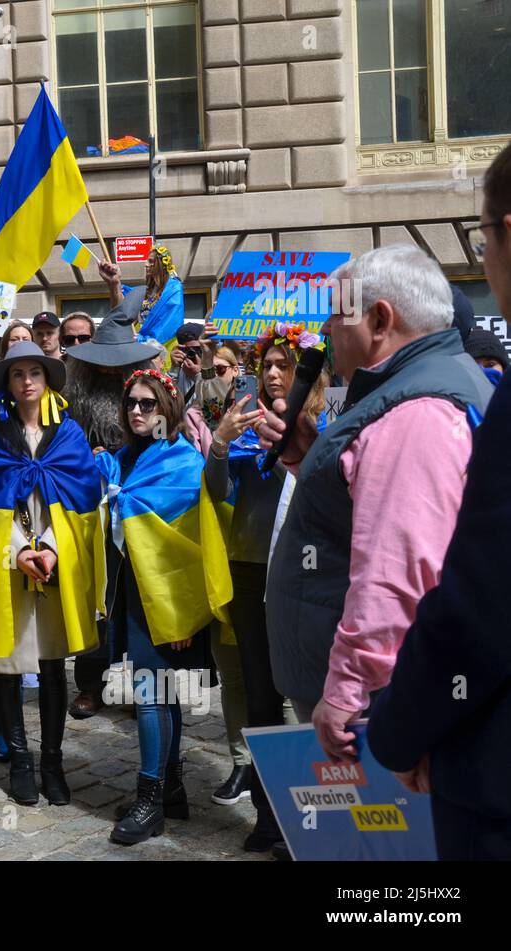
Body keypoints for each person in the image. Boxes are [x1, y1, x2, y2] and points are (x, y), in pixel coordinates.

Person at [258, 245, 493, 757]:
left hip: (373, 699)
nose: (326, 330)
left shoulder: (414, 412)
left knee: (373, 838)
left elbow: (398, 571)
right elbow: (363, 510)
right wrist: (304, 457)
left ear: (380, 319)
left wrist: (348, 690)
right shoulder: (423, 386)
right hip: (381, 684)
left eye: (337, 315)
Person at [368, 143, 511, 860]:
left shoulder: (429, 409)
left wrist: (398, 728)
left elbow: (478, 608)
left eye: (483, 237)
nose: (484, 258)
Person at [202, 325, 329, 852]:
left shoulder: (326, 423)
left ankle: (319, 817)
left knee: (309, 696)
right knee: (261, 695)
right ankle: (269, 816)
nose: (274, 374)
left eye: (285, 364)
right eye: (268, 365)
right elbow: (216, 492)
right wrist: (221, 442)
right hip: (252, 570)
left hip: (307, 575)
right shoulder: (247, 422)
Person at [96, 368, 218, 845]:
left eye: (149, 403)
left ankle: (149, 803)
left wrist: (184, 611)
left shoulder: (183, 462)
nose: (138, 411)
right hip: (132, 592)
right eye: (132, 404)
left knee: (151, 694)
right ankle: (171, 791)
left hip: (168, 599)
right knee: (159, 693)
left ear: (167, 409)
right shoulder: (123, 460)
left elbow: (194, 545)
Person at [0, 342, 101, 806]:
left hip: (53, 564)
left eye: (35, 372)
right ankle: (21, 760)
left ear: (47, 380)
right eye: (17, 374)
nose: (27, 381)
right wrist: (15, 551)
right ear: (7, 384)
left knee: (52, 664)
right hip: (9, 564)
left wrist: (48, 547)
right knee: (8, 665)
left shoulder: (68, 436)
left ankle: (53, 761)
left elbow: (82, 498)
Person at [62, 303, 163, 718]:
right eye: (99, 362)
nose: (107, 371)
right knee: (96, 597)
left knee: (140, 596)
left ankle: (145, 684)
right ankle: (90, 683)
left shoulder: (147, 395)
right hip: (89, 509)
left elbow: (165, 442)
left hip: (140, 509)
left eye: (115, 363)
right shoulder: (71, 397)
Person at [97, 245, 184, 343]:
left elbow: (169, 325)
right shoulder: (146, 291)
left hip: (163, 350)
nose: (145, 264)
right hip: (140, 345)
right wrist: (115, 284)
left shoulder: (173, 289)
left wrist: (143, 340)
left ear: (160, 264)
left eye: (150, 261)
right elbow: (122, 308)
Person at [169, 323, 205, 404]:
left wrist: (197, 375)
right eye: (189, 350)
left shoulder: (217, 371)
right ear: (180, 349)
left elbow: (215, 401)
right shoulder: (176, 374)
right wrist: (174, 368)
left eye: (198, 349)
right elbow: (165, 401)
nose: (194, 353)